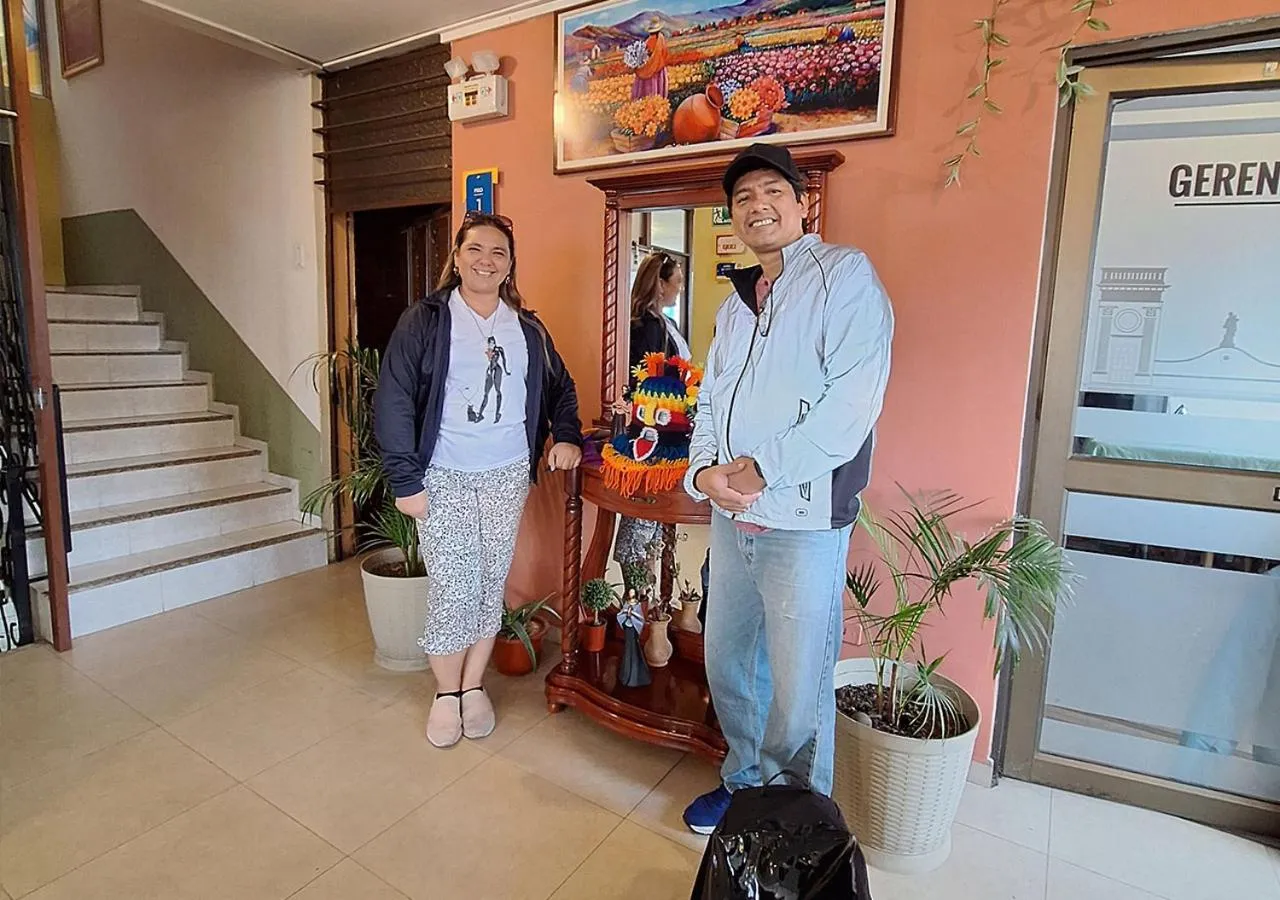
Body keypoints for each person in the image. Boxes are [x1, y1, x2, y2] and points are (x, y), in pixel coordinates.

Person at [680, 143, 894, 833]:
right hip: (731, 516)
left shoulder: (845, 276)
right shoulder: (735, 307)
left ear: (803, 204)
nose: (756, 206)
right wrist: (703, 472)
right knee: (729, 661)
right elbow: (710, 401)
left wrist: (764, 468)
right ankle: (744, 784)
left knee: (799, 684)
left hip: (803, 522)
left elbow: (851, 406)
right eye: (742, 198)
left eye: (772, 191)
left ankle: (791, 816)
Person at [374, 211, 583, 749]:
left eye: (498, 253)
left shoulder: (528, 327)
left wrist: (565, 435)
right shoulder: (426, 320)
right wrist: (405, 480)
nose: (486, 261)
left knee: (491, 582)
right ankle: (446, 693)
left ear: (510, 264)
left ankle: (472, 686)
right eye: (475, 250)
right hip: (442, 475)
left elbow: (561, 388)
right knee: (453, 585)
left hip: (507, 472)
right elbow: (394, 399)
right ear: (457, 257)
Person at [612, 252, 689, 573]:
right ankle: (636, 604)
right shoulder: (648, 326)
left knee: (651, 523)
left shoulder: (662, 323)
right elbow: (644, 380)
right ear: (660, 284)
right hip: (653, 431)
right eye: (678, 282)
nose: (680, 289)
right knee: (644, 519)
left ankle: (645, 605)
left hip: (663, 428)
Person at [631, 18, 669, 100]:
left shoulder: (649, 41)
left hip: (651, 70)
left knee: (651, 87)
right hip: (659, 69)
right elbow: (665, 53)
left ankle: (651, 104)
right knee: (659, 87)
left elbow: (643, 57)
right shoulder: (661, 38)